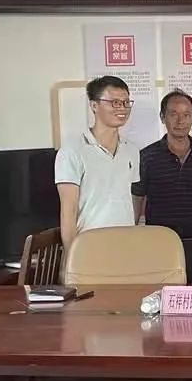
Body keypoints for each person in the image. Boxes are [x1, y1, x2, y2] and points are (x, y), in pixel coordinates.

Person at [132, 90, 192, 285]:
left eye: (186, 115)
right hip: (159, 243)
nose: (180, 121)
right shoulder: (146, 157)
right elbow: (137, 198)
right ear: (163, 117)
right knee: (161, 297)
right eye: (173, 114)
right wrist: (133, 239)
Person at [55, 76, 140, 253]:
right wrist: (71, 257)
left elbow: (130, 200)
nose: (122, 108)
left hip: (126, 246)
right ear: (94, 105)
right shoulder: (72, 151)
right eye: (114, 102)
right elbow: (68, 212)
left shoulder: (132, 150)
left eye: (126, 102)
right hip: (89, 249)